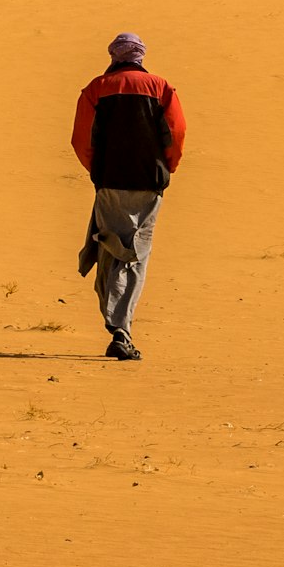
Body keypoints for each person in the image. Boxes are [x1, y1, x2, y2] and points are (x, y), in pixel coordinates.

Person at [70, 31, 186, 361]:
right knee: (137, 252)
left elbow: (82, 139)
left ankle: (117, 325)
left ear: (114, 57)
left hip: (110, 182)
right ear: (140, 57)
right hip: (149, 183)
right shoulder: (162, 88)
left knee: (110, 248)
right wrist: (168, 168)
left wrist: (98, 170)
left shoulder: (96, 89)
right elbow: (175, 134)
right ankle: (123, 327)